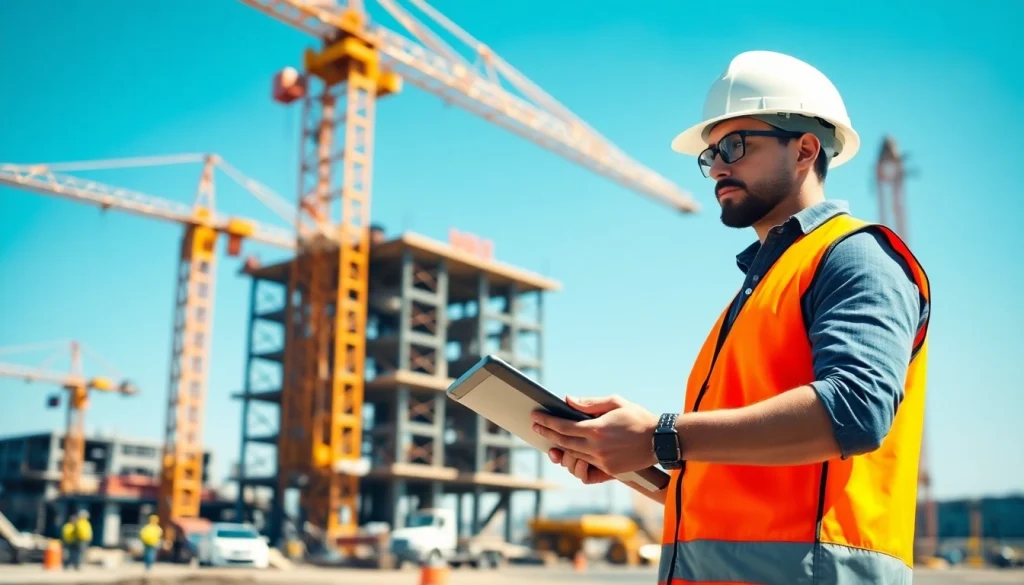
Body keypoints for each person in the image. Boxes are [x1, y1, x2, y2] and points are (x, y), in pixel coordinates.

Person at [531, 50, 931, 585]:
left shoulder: (855, 255)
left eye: (735, 146)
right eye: (711, 154)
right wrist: (633, 457)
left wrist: (659, 436)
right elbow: (743, 477)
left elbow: (857, 409)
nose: (717, 165)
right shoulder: (758, 292)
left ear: (805, 149)